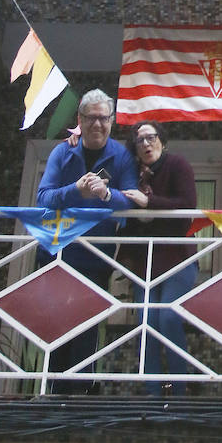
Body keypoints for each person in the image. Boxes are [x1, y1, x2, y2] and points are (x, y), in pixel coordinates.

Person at [36, 90, 139, 392]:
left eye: (103, 118)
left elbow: (129, 202)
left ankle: (79, 397)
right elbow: (43, 197)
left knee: (87, 327)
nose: (97, 124)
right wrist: (75, 191)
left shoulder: (121, 157)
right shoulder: (62, 152)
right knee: (56, 324)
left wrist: (107, 195)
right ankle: (51, 393)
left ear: (112, 121)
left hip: (97, 257)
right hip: (56, 253)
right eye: (91, 118)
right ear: (79, 120)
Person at [120, 123, 198, 396]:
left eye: (151, 137)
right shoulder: (133, 175)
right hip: (145, 263)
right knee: (147, 325)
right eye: (139, 140)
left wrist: (148, 202)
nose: (145, 144)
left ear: (162, 141)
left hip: (178, 259)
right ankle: (153, 393)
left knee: (167, 318)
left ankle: (179, 390)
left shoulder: (177, 165)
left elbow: (188, 206)